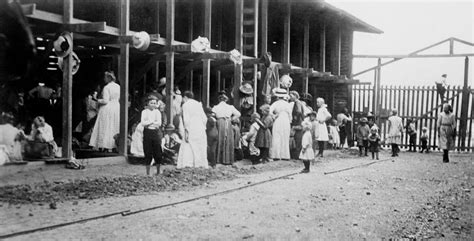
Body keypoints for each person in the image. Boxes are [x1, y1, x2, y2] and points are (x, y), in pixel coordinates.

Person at [89, 71, 120, 152]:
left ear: (109, 78)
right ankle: (113, 145)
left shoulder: (107, 87)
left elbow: (105, 101)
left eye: (105, 77)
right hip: (116, 106)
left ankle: (104, 145)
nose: (104, 79)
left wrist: (96, 99)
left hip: (108, 107)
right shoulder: (118, 87)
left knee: (105, 126)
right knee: (114, 126)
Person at [177, 91, 208, 168]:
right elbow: (204, 118)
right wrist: (203, 127)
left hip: (191, 125)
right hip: (200, 125)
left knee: (188, 144)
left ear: (185, 97)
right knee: (200, 145)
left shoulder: (185, 105)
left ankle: (188, 163)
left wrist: (187, 130)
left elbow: (186, 120)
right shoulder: (198, 104)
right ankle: (200, 163)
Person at [212, 93, 241, 165]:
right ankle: (227, 159)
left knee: (220, 139)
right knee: (227, 139)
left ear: (219, 100)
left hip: (219, 122)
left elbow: (212, 115)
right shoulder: (230, 107)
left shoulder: (216, 107)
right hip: (228, 122)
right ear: (226, 100)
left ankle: (219, 159)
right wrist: (231, 119)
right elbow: (238, 114)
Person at [140, 96, 162, 175]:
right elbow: (143, 123)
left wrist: (149, 122)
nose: (153, 105)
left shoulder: (157, 112)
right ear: (148, 103)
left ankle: (158, 171)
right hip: (147, 132)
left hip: (155, 133)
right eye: (151, 103)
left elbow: (159, 123)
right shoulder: (144, 112)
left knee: (157, 151)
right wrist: (152, 122)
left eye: (154, 103)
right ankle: (148, 172)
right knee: (148, 151)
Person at [269, 88, 291, 161]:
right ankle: (285, 155)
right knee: (285, 137)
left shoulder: (275, 103)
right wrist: (290, 121)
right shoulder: (287, 104)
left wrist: (274, 116)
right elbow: (290, 115)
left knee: (277, 137)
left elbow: (269, 111)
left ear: (277, 96)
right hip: (286, 120)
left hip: (278, 120)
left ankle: (276, 155)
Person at [289, 91, 305, 159]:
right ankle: (297, 155)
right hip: (299, 122)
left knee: (298, 139)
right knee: (297, 139)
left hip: (298, 122)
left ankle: (297, 155)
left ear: (295, 96)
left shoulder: (297, 103)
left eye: (291, 95)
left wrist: (295, 119)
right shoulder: (298, 103)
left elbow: (298, 111)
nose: (290, 97)